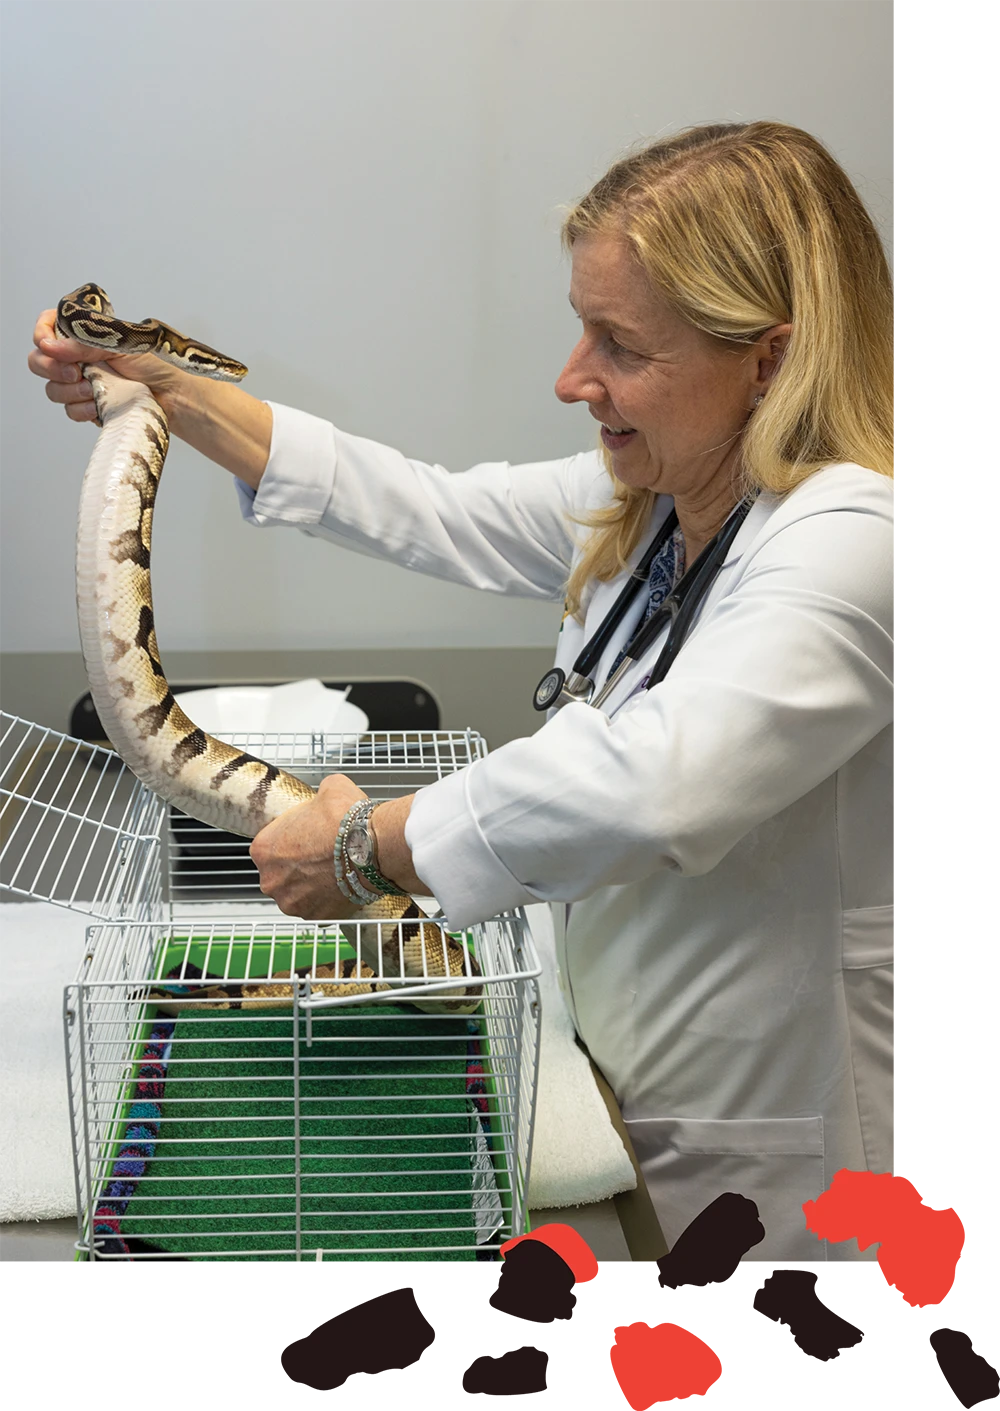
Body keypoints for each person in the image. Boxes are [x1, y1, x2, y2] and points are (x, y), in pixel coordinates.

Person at [30, 120, 894, 1267]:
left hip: (762, 1146)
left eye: (619, 344)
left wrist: (366, 847)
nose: (571, 377)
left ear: (768, 359)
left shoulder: (861, 542)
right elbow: (435, 507)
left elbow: (659, 779)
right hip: (608, 1077)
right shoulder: (658, 494)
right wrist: (176, 395)